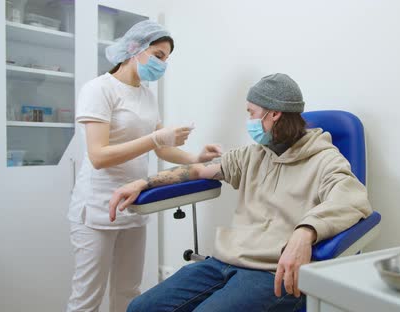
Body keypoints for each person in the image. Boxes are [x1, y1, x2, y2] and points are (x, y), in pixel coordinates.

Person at [109, 73, 373, 312]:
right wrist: (143, 183)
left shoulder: (325, 159)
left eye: (251, 113)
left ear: (274, 114)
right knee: (141, 307)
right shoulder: (253, 155)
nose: (249, 121)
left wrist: (304, 233)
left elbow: (352, 199)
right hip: (223, 262)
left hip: (272, 272)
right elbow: (198, 171)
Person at [66, 20, 221, 312]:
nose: (163, 64)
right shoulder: (99, 89)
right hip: (97, 209)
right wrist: (154, 138)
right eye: (158, 55)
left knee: (129, 292)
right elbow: (98, 156)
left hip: (134, 205)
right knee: (87, 297)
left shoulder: (147, 95)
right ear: (134, 49)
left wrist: (195, 158)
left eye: (167, 59)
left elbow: (162, 146)